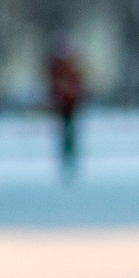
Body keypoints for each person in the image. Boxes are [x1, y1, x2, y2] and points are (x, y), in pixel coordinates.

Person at [46, 40, 86, 181]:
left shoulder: (66, 66)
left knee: (69, 131)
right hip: (64, 104)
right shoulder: (61, 66)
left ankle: (69, 155)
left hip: (70, 104)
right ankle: (67, 156)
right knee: (66, 131)